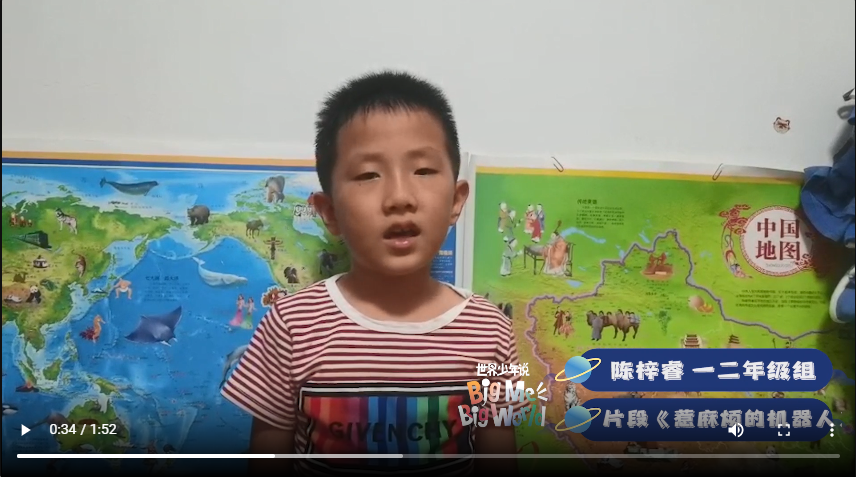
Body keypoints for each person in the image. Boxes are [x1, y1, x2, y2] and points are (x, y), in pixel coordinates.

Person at [221, 71, 526, 476]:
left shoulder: (491, 329)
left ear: (456, 201)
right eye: (368, 175)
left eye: (423, 170)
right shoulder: (292, 324)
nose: (399, 197)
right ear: (329, 212)